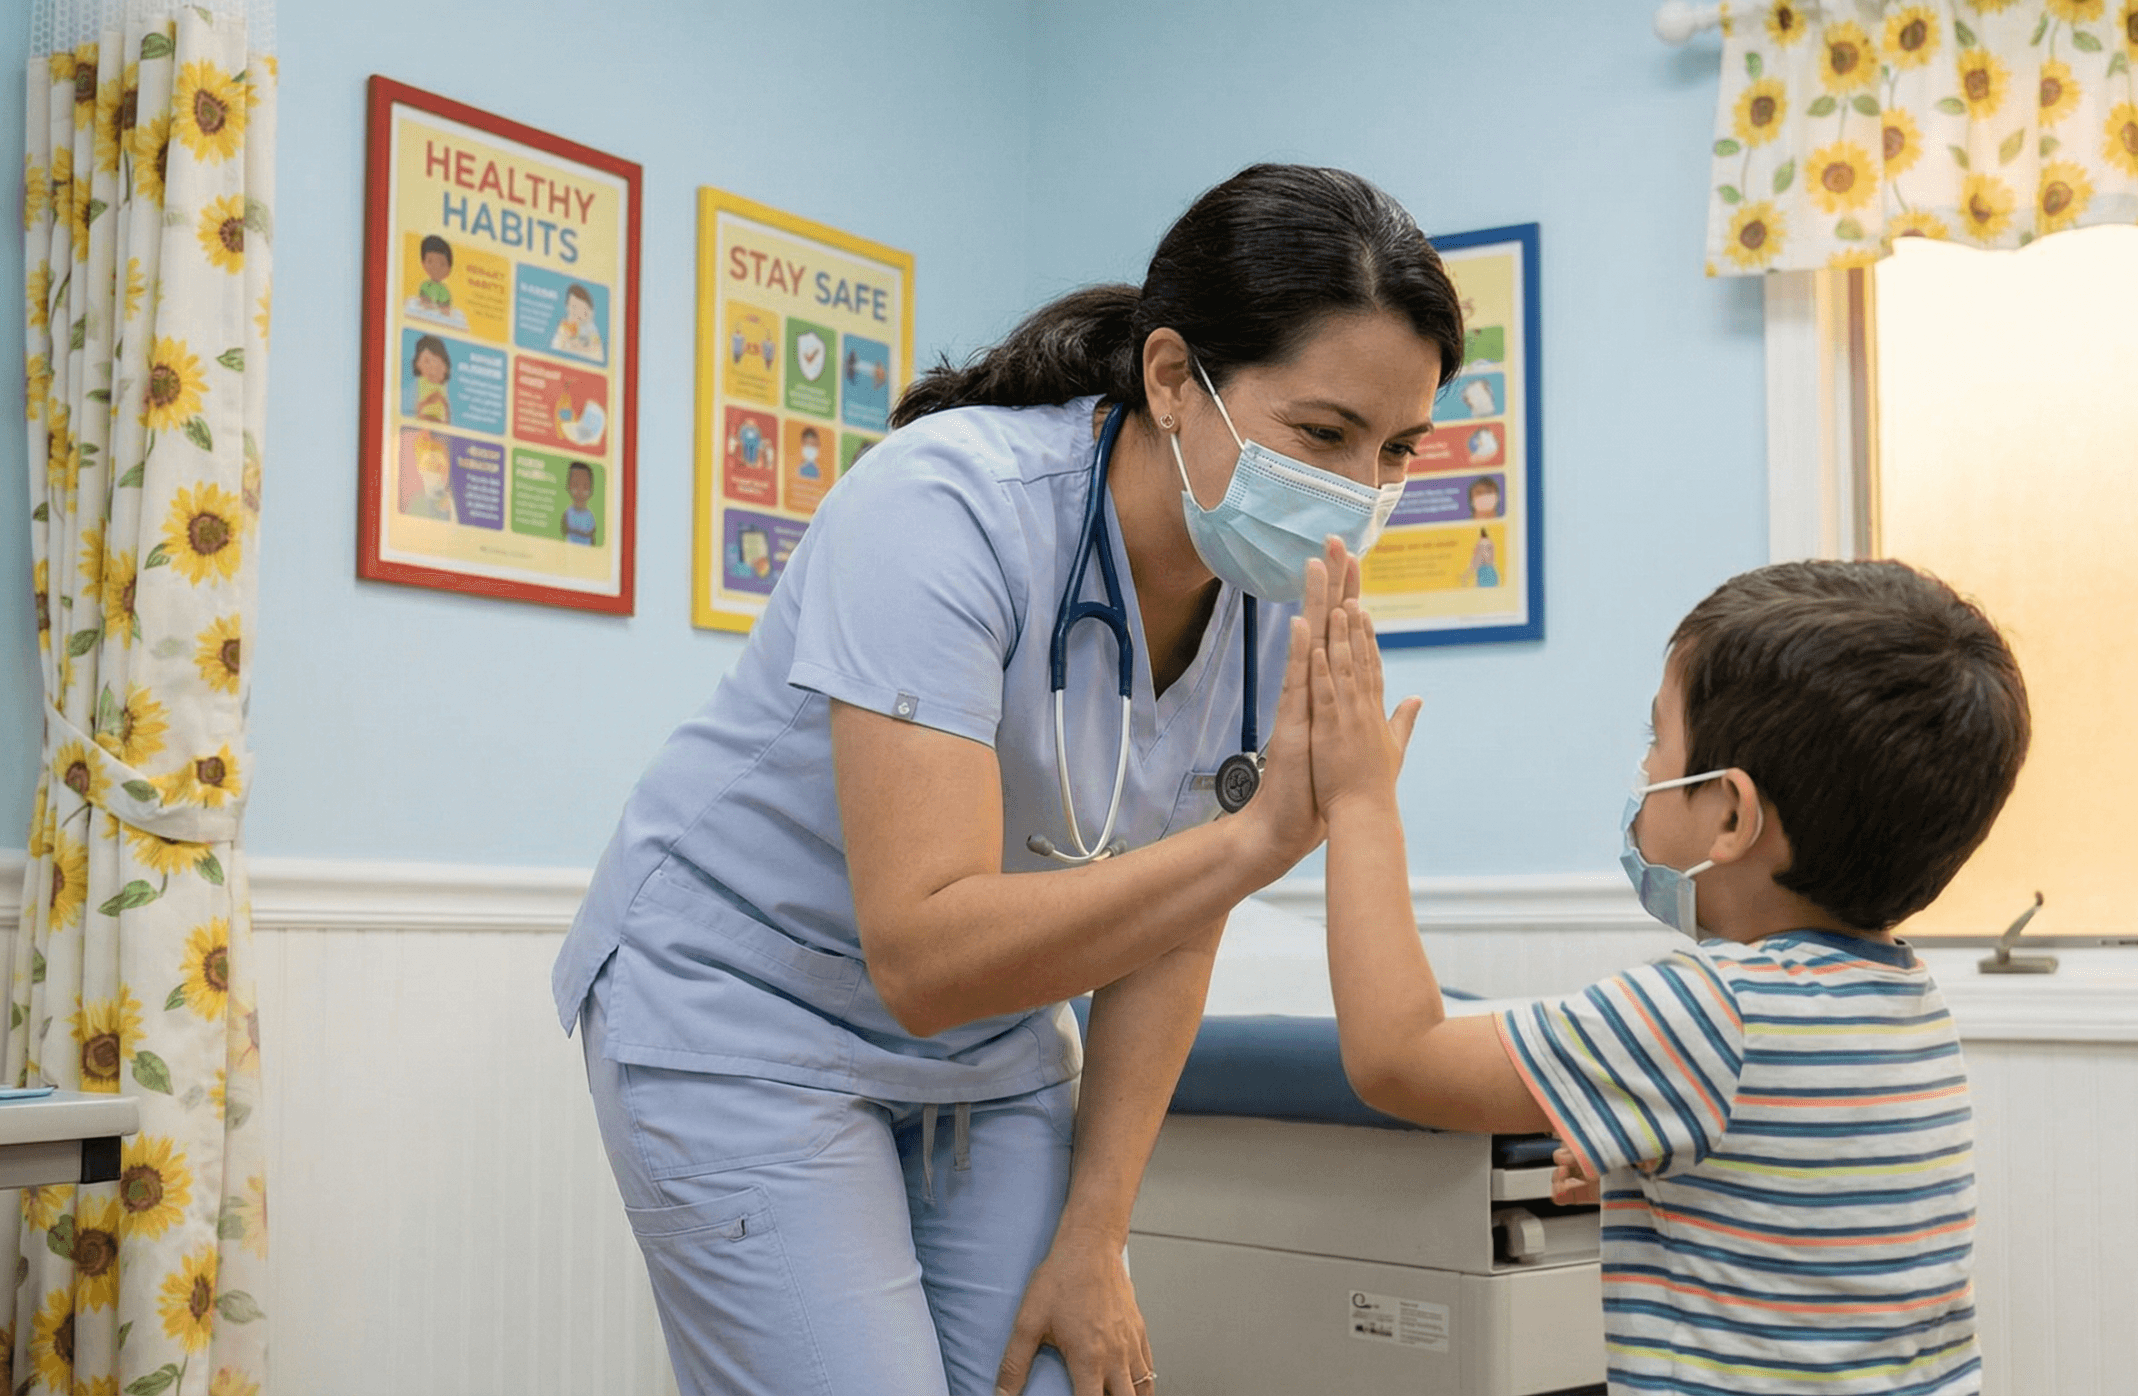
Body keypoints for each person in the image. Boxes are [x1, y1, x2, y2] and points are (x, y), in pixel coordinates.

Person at [551, 163, 1463, 1396]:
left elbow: (1168, 932)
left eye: (1394, 448)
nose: (1356, 497)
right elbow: (923, 955)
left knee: (1059, 1371)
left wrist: (1098, 1241)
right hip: (742, 1008)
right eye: (1321, 435)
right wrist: (1254, 845)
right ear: (1171, 378)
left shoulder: (1272, 604)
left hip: (988, 1047)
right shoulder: (944, 508)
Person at [1302, 558, 2030, 1396]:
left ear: (1729, 813)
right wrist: (1642, 1169)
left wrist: (1360, 801)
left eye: (1658, 740)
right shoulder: (1908, 1005)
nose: (1646, 771)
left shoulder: (1711, 1009)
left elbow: (1400, 1057)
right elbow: (1794, 1212)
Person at [553, 282, 604, 359]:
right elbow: (554, 349)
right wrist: (562, 340)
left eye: (579, 307)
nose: (574, 312)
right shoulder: (564, 327)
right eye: (572, 306)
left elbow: (597, 354)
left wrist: (580, 347)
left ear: (588, 310)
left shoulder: (591, 330)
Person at [410, 335, 452, 424]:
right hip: (425, 417)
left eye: (437, 362)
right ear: (417, 364)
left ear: (445, 367)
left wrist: (447, 420)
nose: (432, 367)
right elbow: (418, 405)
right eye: (426, 361)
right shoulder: (421, 381)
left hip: (439, 421)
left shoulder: (442, 385)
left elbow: (441, 400)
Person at [562, 461, 597, 546]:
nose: (580, 491)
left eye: (585, 486)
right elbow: (564, 529)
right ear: (569, 486)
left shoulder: (589, 516)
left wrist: (575, 531)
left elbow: (591, 534)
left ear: (591, 490)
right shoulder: (568, 512)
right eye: (575, 485)